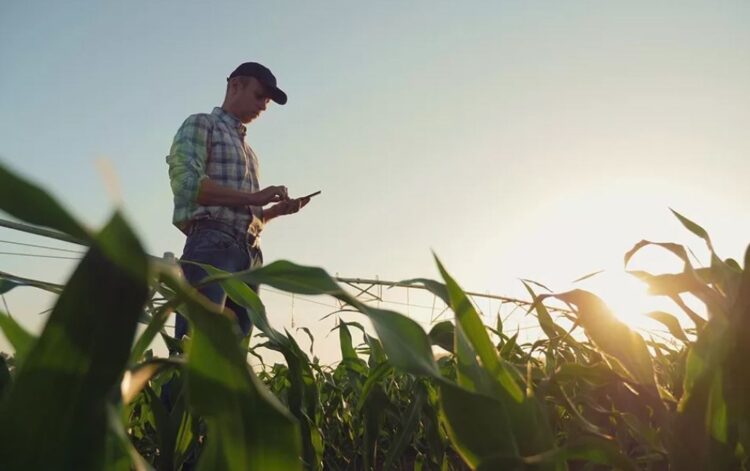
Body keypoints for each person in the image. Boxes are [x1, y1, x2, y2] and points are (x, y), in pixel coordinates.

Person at [166, 62, 310, 342]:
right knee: (195, 351)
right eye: (260, 96)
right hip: (212, 247)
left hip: (250, 254)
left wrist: (274, 212)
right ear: (235, 86)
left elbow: (243, 214)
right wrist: (254, 197)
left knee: (232, 363)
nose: (264, 107)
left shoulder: (250, 152)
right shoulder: (201, 124)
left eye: (267, 101)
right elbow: (186, 184)